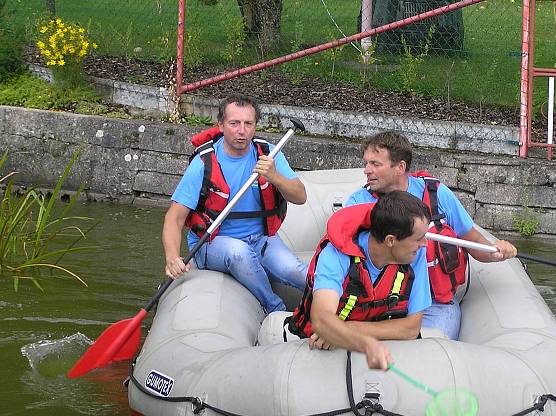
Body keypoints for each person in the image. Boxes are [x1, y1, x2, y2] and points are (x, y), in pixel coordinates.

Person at [345, 131, 517, 340]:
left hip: (434, 305)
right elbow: (345, 255)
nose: (366, 170)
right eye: (366, 163)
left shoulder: (438, 195)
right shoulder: (357, 204)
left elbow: (474, 243)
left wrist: (496, 251)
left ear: (400, 167)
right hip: (379, 306)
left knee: (430, 351)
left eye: (375, 164)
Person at [162, 94, 308, 313]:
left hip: (261, 240)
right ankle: (275, 309)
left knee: (297, 272)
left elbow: (300, 197)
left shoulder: (269, 154)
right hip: (213, 242)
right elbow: (174, 218)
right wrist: (172, 257)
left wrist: (274, 177)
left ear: (255, 126)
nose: (242, 131)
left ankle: (343, 307)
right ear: (221, 125)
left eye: (248, 124)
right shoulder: (204, 163)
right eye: (234, 123)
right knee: (238, 252)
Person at [286, 191, 432, 370]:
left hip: (366, 343)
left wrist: (347, 332)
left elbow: (411, 328)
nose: (425, 243)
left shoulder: (415, 255)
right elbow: (321, 319)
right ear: (390, 241)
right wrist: (364, 343)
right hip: (320, 350)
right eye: (418, 239)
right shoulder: (336, 254)